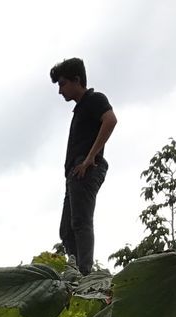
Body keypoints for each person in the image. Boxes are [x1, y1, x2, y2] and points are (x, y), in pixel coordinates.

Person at [50, 57, 117, 275]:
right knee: (66, 229)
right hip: (74, 172)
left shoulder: (94, 99)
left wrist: (90, 158)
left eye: (62, 84)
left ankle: (84, 273)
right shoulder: (80, 109)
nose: (60, 91)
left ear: (76, 80)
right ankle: (76, 269)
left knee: (80, 222)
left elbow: (110, 120)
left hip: (85, 167)